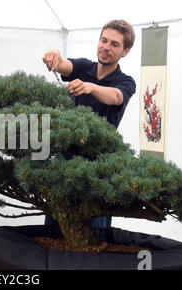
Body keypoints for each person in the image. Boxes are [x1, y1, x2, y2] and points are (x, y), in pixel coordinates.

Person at [42, 19, 136, 228]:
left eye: (114, 44)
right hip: (64, 165)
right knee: (54, 230)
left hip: (98, 171)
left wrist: (91, 87)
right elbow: (65, 66)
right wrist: (55, 58)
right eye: (104, 40)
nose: (106, 47)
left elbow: (116, 97)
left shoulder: (126, 81)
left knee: (93, 237)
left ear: (125, 51)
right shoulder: (84, 67)